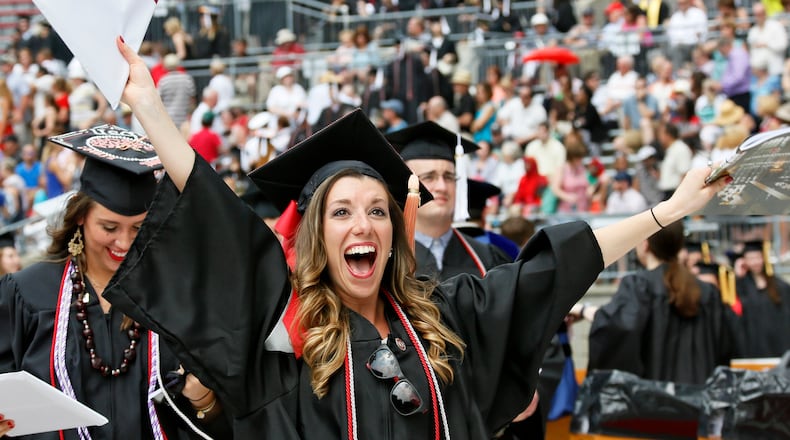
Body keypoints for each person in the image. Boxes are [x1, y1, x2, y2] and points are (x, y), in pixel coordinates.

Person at [101, 37, 730, 439]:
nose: (363, 224)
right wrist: (151, 112)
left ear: (394, 232)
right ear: (317, 235)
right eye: (341, 212)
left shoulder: (443, 317)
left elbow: (552, 267)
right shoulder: (283, 332)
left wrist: (666, 211)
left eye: (377, 210)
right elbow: (217, 219)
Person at [0, 127, 230, 438]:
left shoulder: (178, 298)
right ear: (80, 216)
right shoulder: (28, 293)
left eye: (138, 228)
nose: (123, 242)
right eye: (109, 227)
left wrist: (205, 400)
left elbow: (221, 420)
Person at [581, 220, 741, 385]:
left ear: (644, 244)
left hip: (654, 403)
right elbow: (725, 350)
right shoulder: (708, 293)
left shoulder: (639, 287)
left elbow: (616, 328)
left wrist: (584, 311)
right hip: (701, 400)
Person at [385, 121, 512, 280]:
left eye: (449, 177)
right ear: (407, 186)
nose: (442, 186)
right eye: (429, 177)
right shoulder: (386, 259)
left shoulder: (487, 258)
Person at [735, 241, 790, 357]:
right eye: (750, 258)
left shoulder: (780, 286)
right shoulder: (740, 287)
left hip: (779, 347)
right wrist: (737, 276)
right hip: (752, 349)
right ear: (744, 261)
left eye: (758, 257)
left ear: (764, 258)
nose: (755, 262)